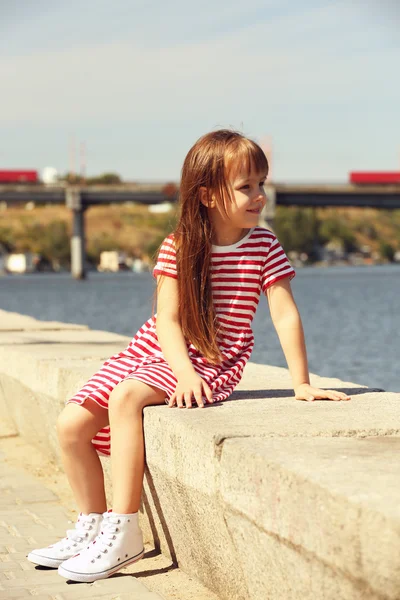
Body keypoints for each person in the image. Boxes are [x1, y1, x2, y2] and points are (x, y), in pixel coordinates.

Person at [27, 129, 351, 582]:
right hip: (159, 350)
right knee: (71, 425)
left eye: (262, 183)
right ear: (207, 195)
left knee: (125, 400)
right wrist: (180, 371)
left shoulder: (263, 246)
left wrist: (301, 382)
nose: (260, 195)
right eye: (246, 186)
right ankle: (92, 524)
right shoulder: (179, 244)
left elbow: (284, 314)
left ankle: (124, 531)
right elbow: (167, 319)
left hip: (214, 360)